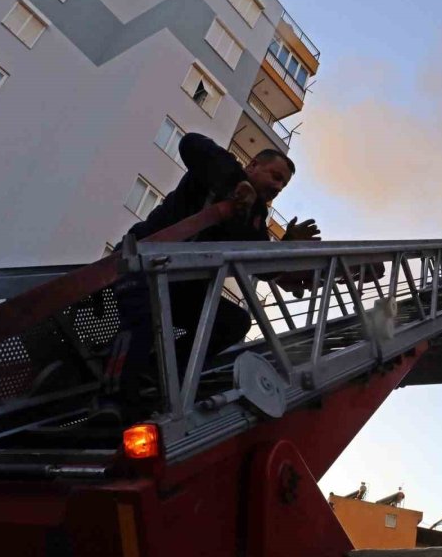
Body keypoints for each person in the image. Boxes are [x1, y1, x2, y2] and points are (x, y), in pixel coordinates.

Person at [108, 133, 319, 421]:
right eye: (275, 176)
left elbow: (261, 265)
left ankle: (159, 374)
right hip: (142, 267)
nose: (276, 186)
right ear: (254, 164)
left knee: (234, 321)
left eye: (282, 185)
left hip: (180, 288)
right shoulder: (213, 172)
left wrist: (286, 246)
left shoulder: (253, 217)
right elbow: (191, 143)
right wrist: (236, 184)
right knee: (143, 321)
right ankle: (110, 401)